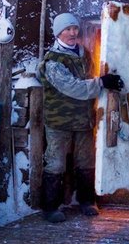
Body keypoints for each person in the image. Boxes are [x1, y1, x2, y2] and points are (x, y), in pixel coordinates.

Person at [37, 12, 124, 223]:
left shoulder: (84, 53)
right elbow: (74, 88)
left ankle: (86, 201)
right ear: (59, 33)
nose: (72, 33)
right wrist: (102, 82)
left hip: (83, 119)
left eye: (74, 28)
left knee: (86, 160)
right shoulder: (53, 61)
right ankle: (50, 207)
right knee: (56, 162)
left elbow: (90, 77)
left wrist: (106, 79)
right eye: (67, 29)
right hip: (59, 121)